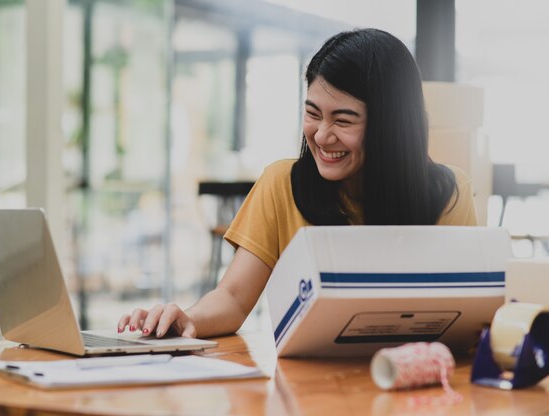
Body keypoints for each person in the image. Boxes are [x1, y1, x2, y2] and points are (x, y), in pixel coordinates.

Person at [117, 28, 478, 339]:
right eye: (312, 113)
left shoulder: (447, 193)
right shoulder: (281, 184)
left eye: (344, 120)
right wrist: (188, 319)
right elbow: (232, 298)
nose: (322, 135)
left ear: (390, 126)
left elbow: (468, 312)